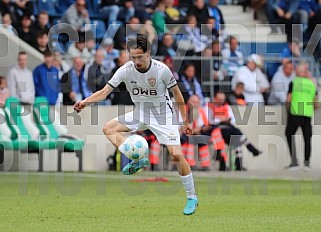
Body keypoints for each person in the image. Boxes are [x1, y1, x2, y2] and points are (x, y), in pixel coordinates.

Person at [74, 34, 198, 215]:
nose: (136, 61)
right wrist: (85, 101)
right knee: (108, 128)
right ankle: (138, 159)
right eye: (133, 57)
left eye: (140, 57)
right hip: (140, 113)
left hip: (163, 116)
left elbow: (178, 96)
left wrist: (185, 120)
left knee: (176, 155)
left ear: (148, 53)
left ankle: (192, 197)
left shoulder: (161, 70)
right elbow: (104, 92)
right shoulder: (125, 70)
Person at [205, 91, 262, 170]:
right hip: (217, 129)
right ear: (215, 98)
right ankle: (251, 148)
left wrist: (226, 119)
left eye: (222, 99)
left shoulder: (226, 106)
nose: (221, 101)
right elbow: (209, 120)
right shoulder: (209, 107)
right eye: (219, 99)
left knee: (236, 138)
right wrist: (220, 120)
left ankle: (239, 164)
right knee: (236, 133)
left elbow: (232, 118)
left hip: (228, 128)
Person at [285, 62, 319, 171]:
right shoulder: (312, 84)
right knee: (307, 138)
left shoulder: (294, 82)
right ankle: (307, 163)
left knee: (289, 134)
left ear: (297, 72)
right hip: (307, 114)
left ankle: (294, 163)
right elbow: (316, 103)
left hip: (295, 112)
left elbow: (288, 99)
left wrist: (287, 111)